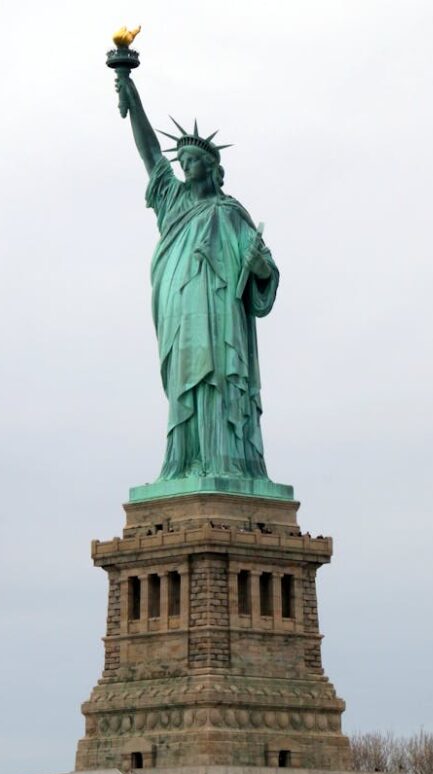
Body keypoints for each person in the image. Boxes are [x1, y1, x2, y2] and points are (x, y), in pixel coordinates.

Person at [114, 74, 279, 483]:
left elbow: (264, 272)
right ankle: (184, 463)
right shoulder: (172, 200)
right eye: (182, 161)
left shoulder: (231, 213)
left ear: (212, 168)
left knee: (220, 381)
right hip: (181, 311)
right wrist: (130, 93)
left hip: (222, 316)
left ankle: (228, 463)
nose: (185, 166)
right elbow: (150, 152)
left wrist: (259, 267)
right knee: (186, 382)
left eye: (193, 161)